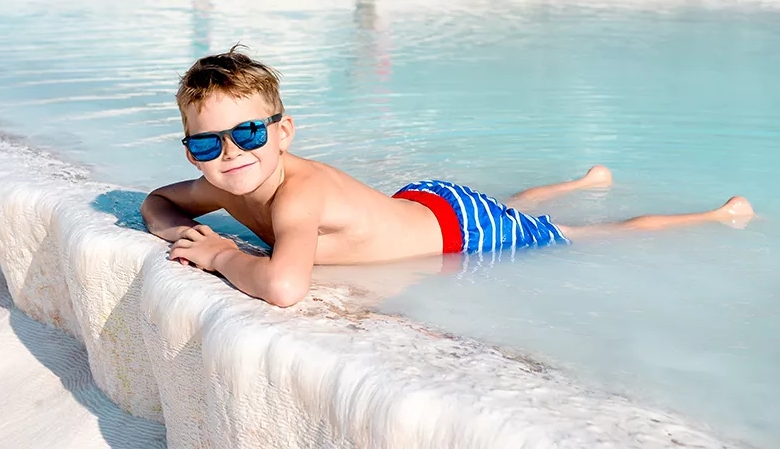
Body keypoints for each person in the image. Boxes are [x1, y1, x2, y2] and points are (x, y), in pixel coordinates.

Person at [140, 46, 754, 307]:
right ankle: (583, 178)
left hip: (461, 230)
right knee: (516, 201)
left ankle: (719, 214)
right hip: (420, 204)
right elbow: (156, 202)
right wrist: (178, 232)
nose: (230, 154)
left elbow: (283, 289)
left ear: (283, 131)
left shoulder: (302, 192)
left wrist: (221, 254)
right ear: (191, 149)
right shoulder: (224, 183)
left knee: (584, 234)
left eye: (247, 134)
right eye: (206, 143)